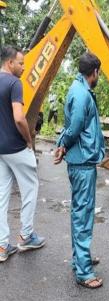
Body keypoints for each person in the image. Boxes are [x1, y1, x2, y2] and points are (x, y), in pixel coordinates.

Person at [54, 52, 105, 289]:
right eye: (99, 73)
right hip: (82, 163)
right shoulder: (82, 94)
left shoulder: (77, 89)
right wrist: (63, 145)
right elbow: (73, 128)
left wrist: (62, 147)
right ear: (94, 72)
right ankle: (84, 271)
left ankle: (80, 259)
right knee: (83, 215)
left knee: (79, 212)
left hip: (80, 161)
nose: (99, 77)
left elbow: (71, 128)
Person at [0, 46, 46, 262]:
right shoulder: (14, 83)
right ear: (10, 63)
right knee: (30, 189)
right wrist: (29, 139)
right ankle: (26, 236)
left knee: (2, 196)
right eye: (21, 63)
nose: (23, 67)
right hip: (16, 148)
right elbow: (19, 118)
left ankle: (1, 246)